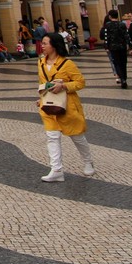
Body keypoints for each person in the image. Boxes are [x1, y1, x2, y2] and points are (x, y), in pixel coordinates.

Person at [38, 32, 95, 182]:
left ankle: (88, 161)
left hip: (67, 105)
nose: (42, 46)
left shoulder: (67, 64)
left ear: (54, 45)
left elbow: (80, 82)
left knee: (76, 136)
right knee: (52, 137)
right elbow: (43, 83)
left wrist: (63, 86)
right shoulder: (41, 63)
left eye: (45, 43)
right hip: (49, 106)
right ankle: (56, 170)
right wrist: (42, 98)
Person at [101, 9, 129, 88]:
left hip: (113, 47)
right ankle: (124, 78)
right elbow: (126, 35)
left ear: (110, 16)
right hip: (122, 46)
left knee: (116, 63)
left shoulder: (108, 25)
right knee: (123, 63)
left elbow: (106, 36)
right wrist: (129, 45)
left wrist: (106, 46)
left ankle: (122, 78)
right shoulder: (122, 24)